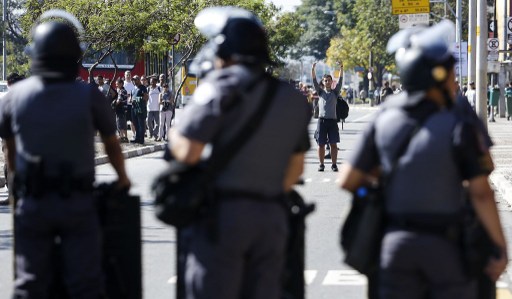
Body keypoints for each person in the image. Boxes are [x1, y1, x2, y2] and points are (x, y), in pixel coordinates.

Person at [338, 20, 507, 299]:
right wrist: (500, 249)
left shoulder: (385, 115)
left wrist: (385, 181)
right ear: (438, 76)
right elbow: (481, 193)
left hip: (393, 247)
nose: (455, 79)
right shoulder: (459, 117)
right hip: (447, 249)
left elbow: (348, 180)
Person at [167, 6, 310, 299]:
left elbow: (189, 152)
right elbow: (296, 170)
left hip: (223, 216)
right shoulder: (291, 97)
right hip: (273, 218)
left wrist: (175, 134)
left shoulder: (220, 87)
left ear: (223, 48)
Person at [0, 13, 131, 298]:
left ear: (36, 55)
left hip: (33, 203)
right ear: (73, 57)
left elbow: (9, 150)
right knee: (85, 284)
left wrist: (15, 188)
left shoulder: (13, 97)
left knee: (30, 284)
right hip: (78, 203)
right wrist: (122, 178)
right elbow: (112, 143)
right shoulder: (89, 96)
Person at [311, 61, 343, 172]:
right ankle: (321, 164)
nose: (327, 82)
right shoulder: (320, 92)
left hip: (332, 122)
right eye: (325, 80)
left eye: (329, 80)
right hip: (322, 121)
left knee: (333, 144)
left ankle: (334, 165)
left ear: (331, 82)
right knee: (321, 144)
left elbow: (340, 81)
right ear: (323, 82)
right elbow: (314, 81)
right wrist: (313, 69)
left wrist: (341, 68)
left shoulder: (335, 92)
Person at [130, 75, 148, 144]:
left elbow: (146, 97)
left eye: (135, 80)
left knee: (141, 124)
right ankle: (137, 138)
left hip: (140, 109)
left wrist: (137, 99)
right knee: (135, 124)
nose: (134, 81)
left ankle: (141, 139)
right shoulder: (133, 88)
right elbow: (131, 98)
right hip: (134, 108)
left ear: (138, 80)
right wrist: (131, 100)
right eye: (133, 80)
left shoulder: (143, 88)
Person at [114, 78, 129, 142]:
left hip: (121, 109)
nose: (116, 85)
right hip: (123, 109)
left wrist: (113, 104)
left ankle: (122, 137)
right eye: (116, 84)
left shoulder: (122, 91)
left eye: (117, 84)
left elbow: (119, 100)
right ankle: (125, 137)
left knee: (120, 123)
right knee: (123, 123)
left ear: (121, 84)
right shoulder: (122, 90)